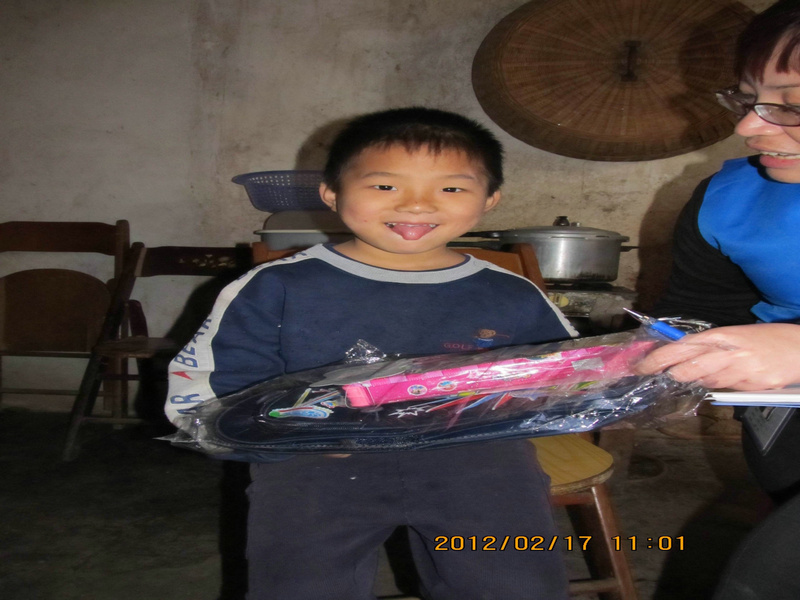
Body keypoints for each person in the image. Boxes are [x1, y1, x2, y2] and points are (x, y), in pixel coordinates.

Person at [166, 107, 576, 600]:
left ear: (489, 200)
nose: (417, 205)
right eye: (385, 185)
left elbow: (569, 375)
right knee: (301, 589)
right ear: (331, 193)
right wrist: (286, 438)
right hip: (315, 468)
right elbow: (212, 390)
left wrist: (637, 367)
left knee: (514, 586)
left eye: (451, 188)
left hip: (482, 465)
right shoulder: (276, 286)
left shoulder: (512, 293)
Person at [634, 2, 800, 598]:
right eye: (749, 99)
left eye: (792, 106)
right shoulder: (731, 200)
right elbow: (699, 313)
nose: (749, 128)